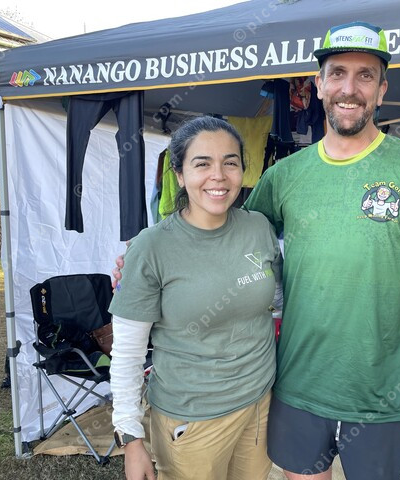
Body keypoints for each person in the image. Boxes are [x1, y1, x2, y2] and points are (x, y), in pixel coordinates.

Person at [114, 21, 400, 480]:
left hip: (382, 392)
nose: (349, 89)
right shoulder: (285, 176)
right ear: (318, 85)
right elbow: (226, 230)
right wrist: (148, 255)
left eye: (365, 75)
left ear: (382, 90)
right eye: (337, 74)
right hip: (296, 388)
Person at [109, 116, 282, 480]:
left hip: (260, 405)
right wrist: (131, 437)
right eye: (202, 164)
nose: (218, 176)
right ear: (179, 174)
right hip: (192, 419)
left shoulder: (258, 227)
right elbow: (127, 355)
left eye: (230, 163)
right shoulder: (151, 248)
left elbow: (277, 299)